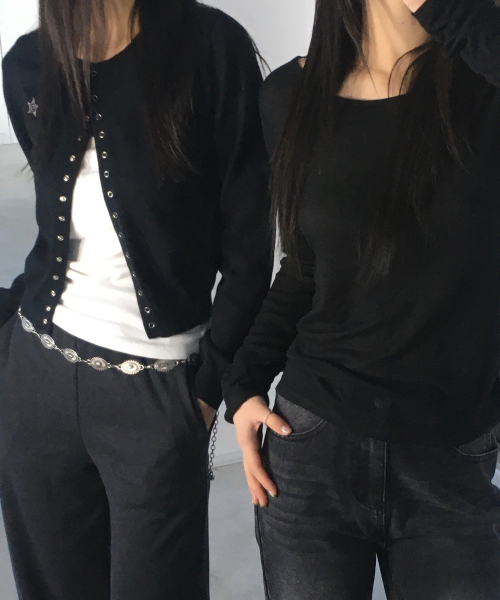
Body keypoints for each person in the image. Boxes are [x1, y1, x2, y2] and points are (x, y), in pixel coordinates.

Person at [222, 0, 500, 597]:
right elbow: (303, 268)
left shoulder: (484, 79)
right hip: (312, 439)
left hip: (451, 450)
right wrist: (242, 383)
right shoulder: (291, 95)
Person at [0, 1, 272, 599]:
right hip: (36, 380)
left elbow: (251, 250)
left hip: (157, 393)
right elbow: (54, 228)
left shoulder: (211, 49)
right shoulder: (27, 64)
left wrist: (207, 391)